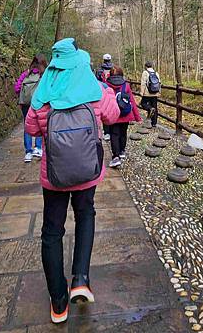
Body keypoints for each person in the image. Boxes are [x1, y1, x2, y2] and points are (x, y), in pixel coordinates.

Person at [25, 38, 119, 324]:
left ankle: (58, 302)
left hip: (54, 176)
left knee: (52, 231)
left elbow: (31, 127)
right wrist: (107, 93)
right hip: (87, 170)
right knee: (85, 214)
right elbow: (114, 115)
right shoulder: (94, 90)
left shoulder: (44, 92)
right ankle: (80, 279)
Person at [105, 66, 142, 167]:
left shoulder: (107, 85)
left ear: (110, 75)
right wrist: (137, 116)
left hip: (113, 115)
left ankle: (115, 156)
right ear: (121, 74)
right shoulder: (126, 85)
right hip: (125, 114)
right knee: (123, 133)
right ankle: (122, 152)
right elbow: (132, 102)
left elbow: (104, 101)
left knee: (114, 134)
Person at [14, 54, 48, 162]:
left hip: (25, 104)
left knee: (27, 125)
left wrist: (23, 96)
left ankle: (28, 152)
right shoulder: (44, 74)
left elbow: (17, 87)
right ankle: (38, 148)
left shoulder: (26, 73)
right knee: (39, 124)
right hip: (38, 103)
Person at [140, 60, 161, 128]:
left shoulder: (145, 72)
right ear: (151, 66)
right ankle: (154, 123)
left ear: (146, 66)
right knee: (155, 107)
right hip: (155, 93)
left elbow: (143, 83)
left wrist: (141, 92)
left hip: (147, 93)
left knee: (143, 103)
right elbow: (159, 83)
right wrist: (159, 92)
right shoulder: (156, 73)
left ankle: (150, 108)